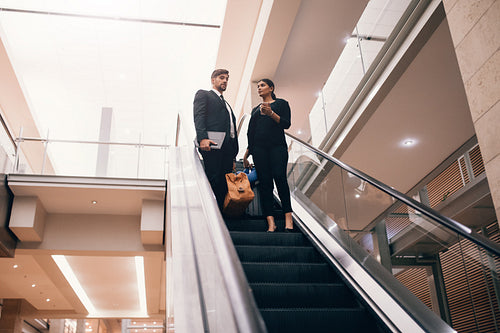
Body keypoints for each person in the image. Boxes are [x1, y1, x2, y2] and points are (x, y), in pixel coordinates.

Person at [243, 79, 293, 232]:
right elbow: (251, 132)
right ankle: (271, 222)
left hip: (277, 147)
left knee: (280, 177)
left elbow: (286, 124)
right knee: (265, 184)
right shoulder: (255, 110)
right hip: (259, 150)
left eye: (262, 85)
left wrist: (271, 113)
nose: (259, 88)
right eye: (257, 86)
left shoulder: (281, 104)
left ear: (271, 88)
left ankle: (288, 219)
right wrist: (246, 154)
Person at [194, 69, 239, 211]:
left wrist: (233, 156)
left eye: (227, 78)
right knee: (213, 179)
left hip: (227, 150)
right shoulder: (204, 94)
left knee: (224, 184)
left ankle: (221, 215)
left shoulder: (227, 105)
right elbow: (199, 116)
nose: (225, 80)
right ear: (213, 80)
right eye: (221, 78)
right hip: (212, 145)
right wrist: (202, 139)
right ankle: (210, 213)